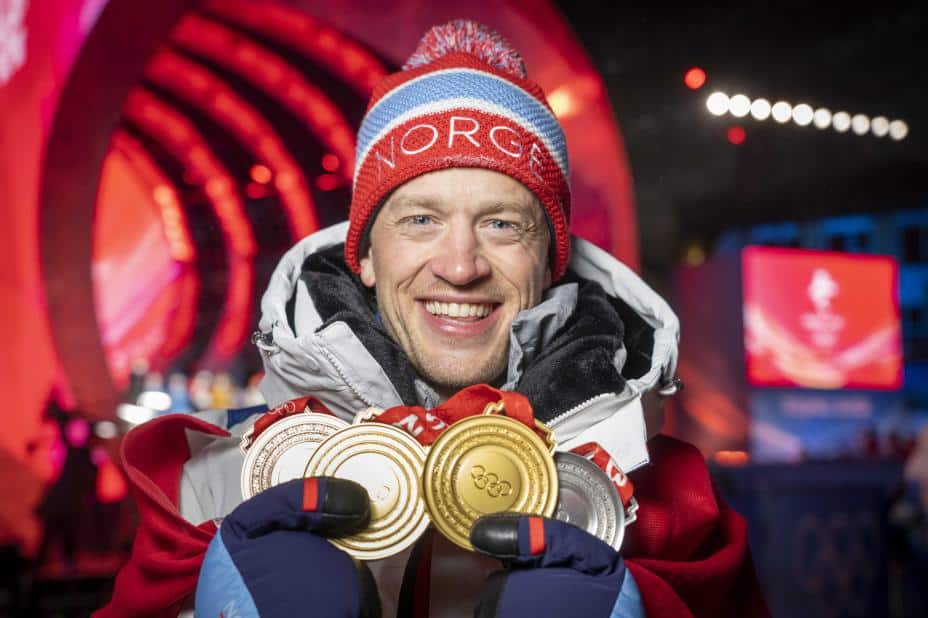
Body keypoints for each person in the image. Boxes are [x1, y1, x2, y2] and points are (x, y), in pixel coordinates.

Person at [96, 20, 769, 618]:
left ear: (550, 262)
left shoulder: (669, 500)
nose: (460, 265)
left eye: (502, 224)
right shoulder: (218, 481)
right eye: (421, 220)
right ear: (365, 254)